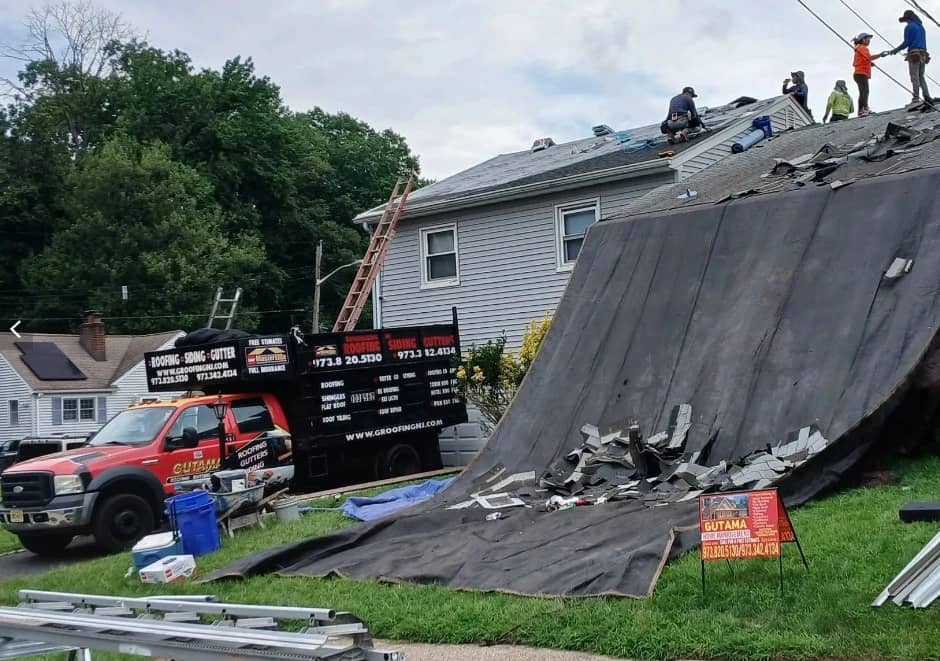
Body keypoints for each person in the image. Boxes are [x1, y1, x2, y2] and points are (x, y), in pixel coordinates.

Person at [890, 9, 931, 105]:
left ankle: (916, 98)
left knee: (914, 76)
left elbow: (906, 42)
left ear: (907, 19)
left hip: (914, 53)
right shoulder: (921, 27)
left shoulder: (909, 27)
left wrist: (895, 50)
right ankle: (927, 97)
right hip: (923, 53)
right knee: (921, 76)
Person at [853, 33, 888, 116]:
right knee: (864, 92)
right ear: (863, 40)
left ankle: (862, 110)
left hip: (860, 74)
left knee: (863, 91)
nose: (869, 41)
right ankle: (864, 109)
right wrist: (879, 55)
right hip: (861, 73)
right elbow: (867, 58)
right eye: (868, 39)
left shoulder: (860, 48)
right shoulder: (862, 48)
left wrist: (870, 62)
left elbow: (863, 59)